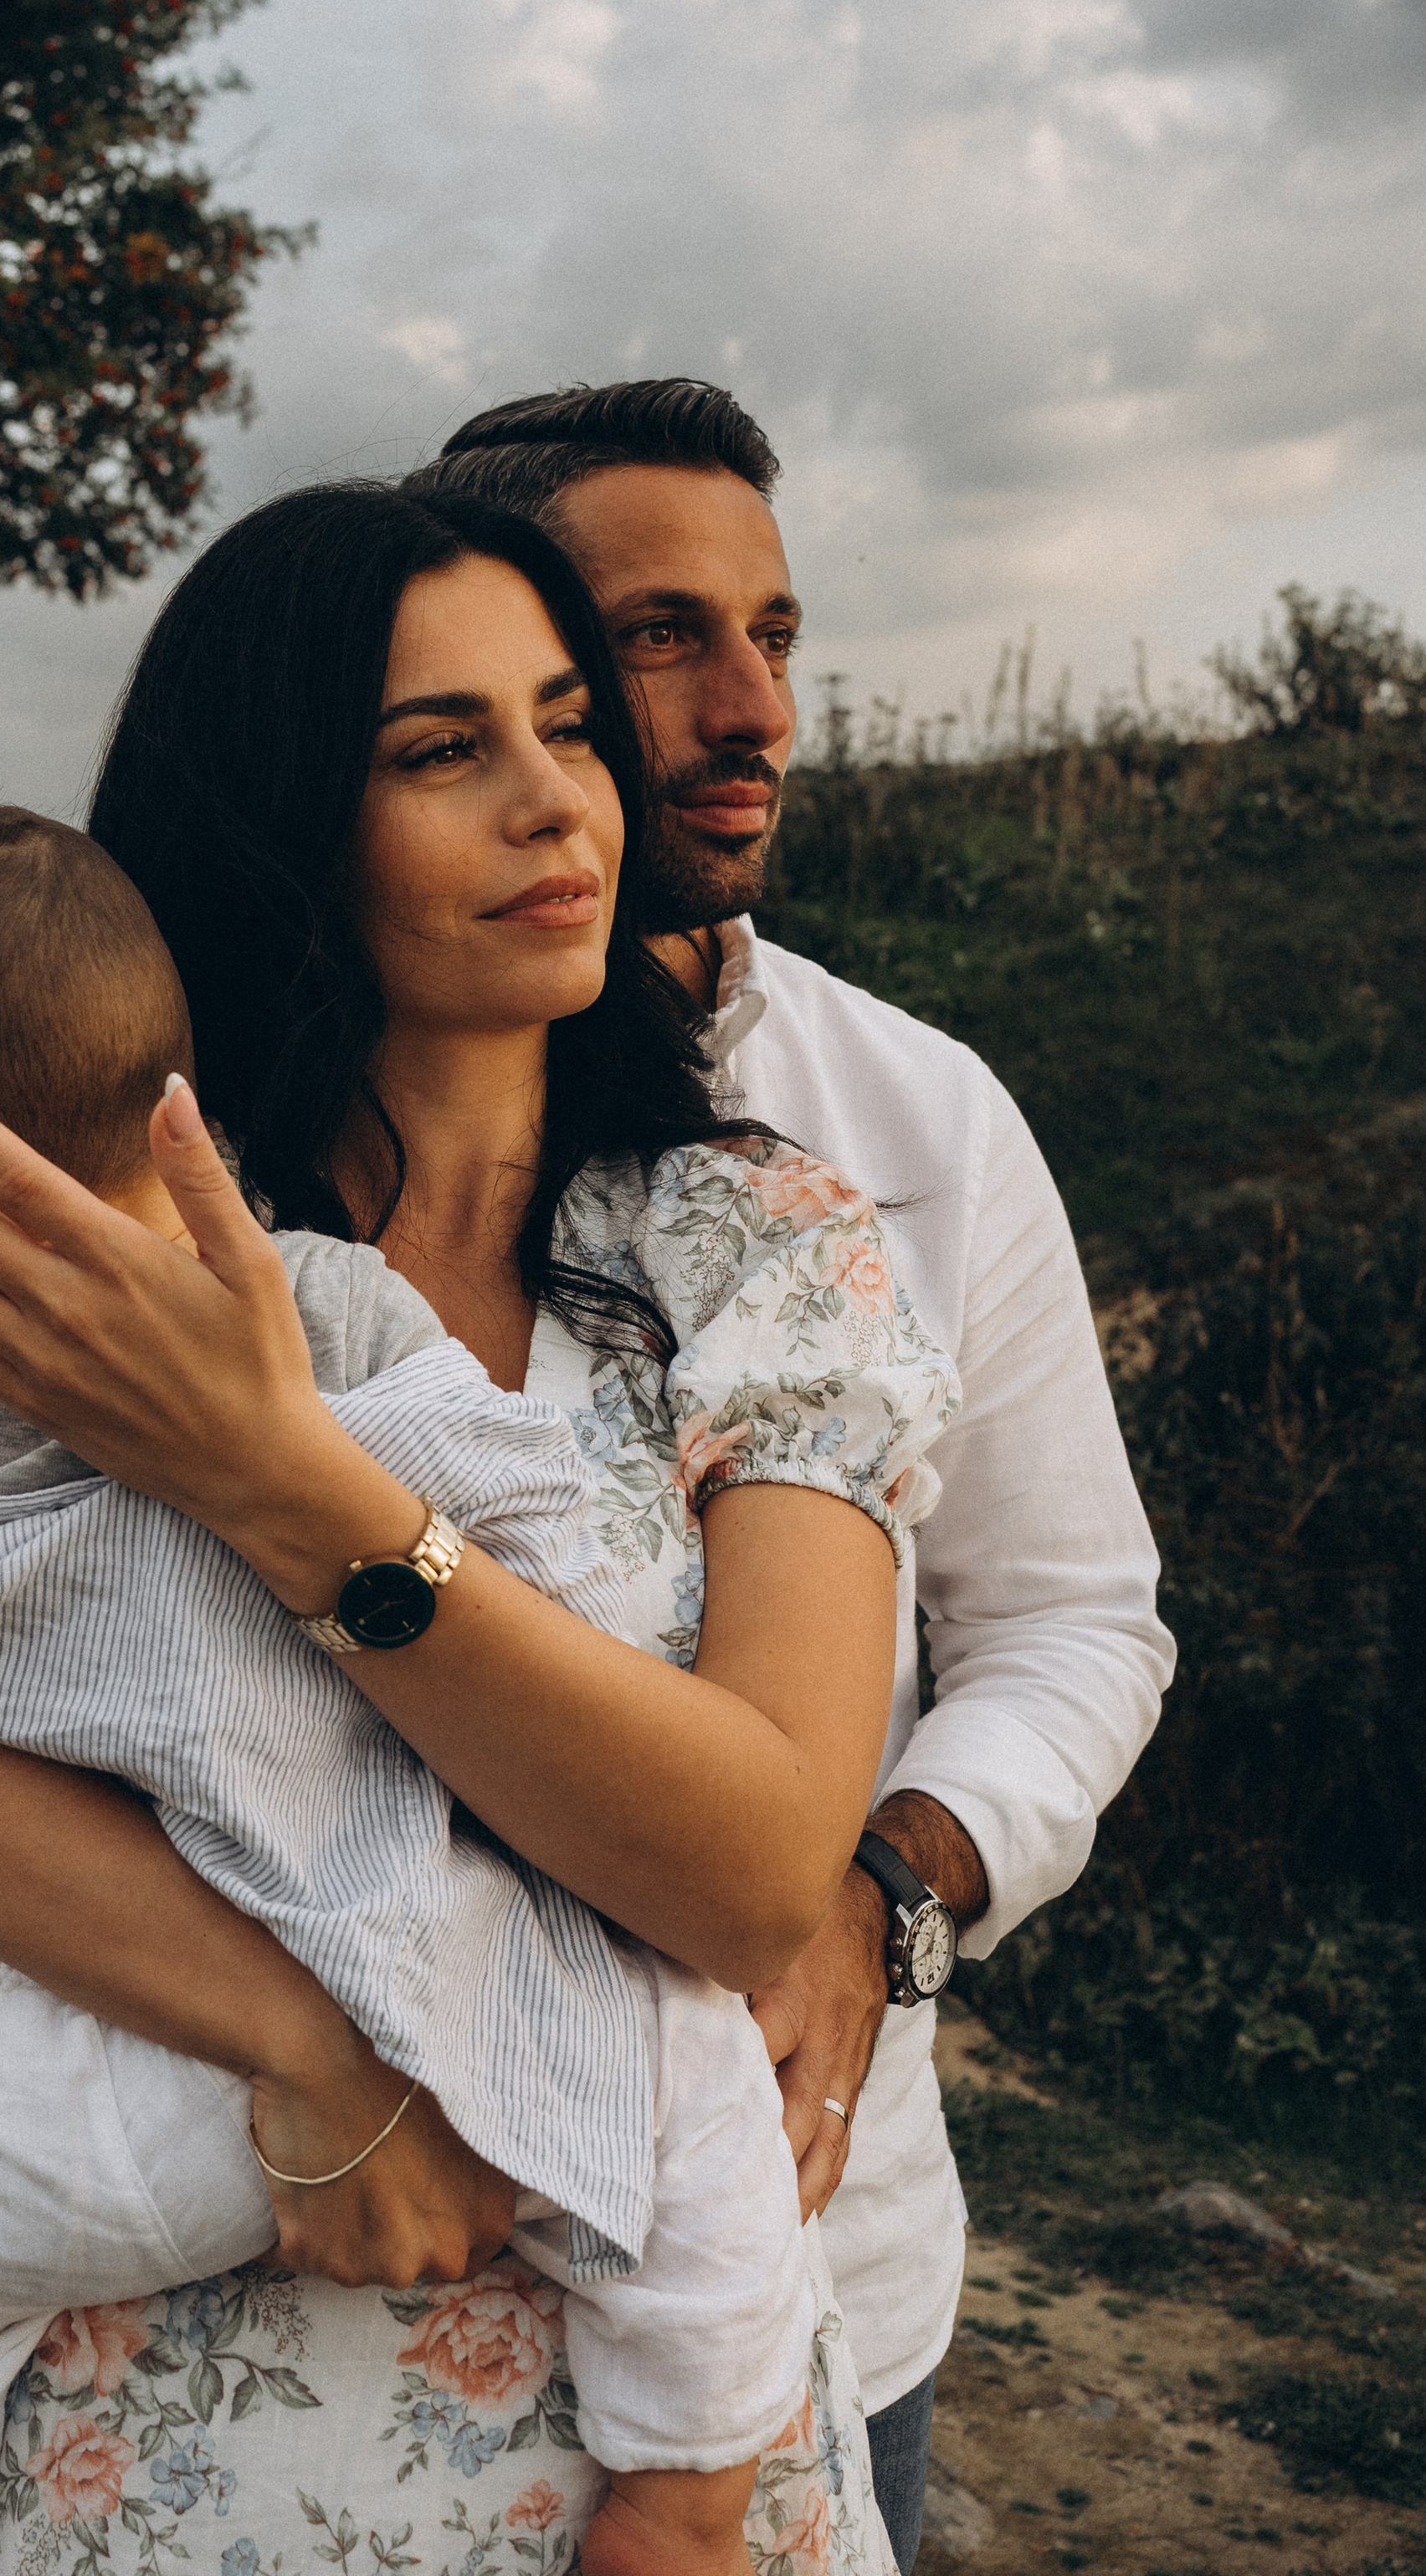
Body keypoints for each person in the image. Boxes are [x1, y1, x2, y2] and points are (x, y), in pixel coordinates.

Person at [0, 484, 941, 2575]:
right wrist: (315, 2048)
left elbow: (740, 1871)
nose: (558, 803)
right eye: (440, 752)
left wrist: (284, 1485)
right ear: (276, 820)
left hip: (652, 2461)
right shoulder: (106, 1228)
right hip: (153, 2438)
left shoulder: (749, 1239)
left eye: (564, 725)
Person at [418, 378, 1176, 2565]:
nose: (754, 709)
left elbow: (1065, 1627)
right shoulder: (258, 1122)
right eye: (667, 634)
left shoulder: (913, 1124)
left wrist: (884, 1893)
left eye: (778, 634)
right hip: (319, 2273)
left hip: (809, 2279)